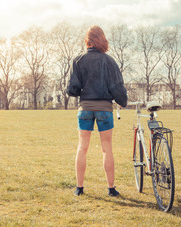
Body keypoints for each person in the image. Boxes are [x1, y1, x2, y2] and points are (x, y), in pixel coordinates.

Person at [66, 25, 127, 197]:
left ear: (87, 40)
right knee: (107, 148)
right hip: (104, 109)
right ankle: (111, 189)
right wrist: (122, 102)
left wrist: (80, 89)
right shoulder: (109, 61)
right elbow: (117, 87)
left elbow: (72, 89)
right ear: (102, 39)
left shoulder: (78, 60)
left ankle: (79, 188)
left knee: (82, 148)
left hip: (85, 108)